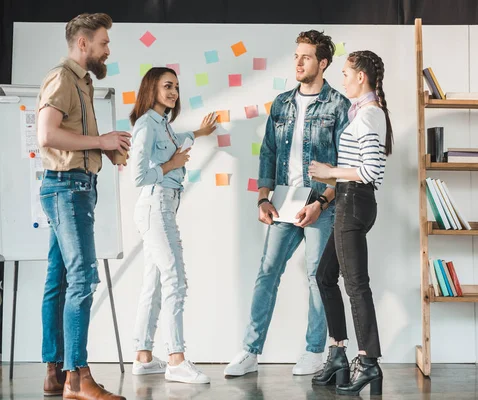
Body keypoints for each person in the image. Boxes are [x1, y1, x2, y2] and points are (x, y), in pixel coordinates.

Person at [224, 30, 351, 377]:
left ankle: (314, 351)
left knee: (317, 277)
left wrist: (322, 204)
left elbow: (344, 164)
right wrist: (263, 197)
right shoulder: (281, 103)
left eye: (306, 57)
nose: (298, 62)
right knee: (267, 273)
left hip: (319, 203)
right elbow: (268, 152)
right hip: (282, 201)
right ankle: (250, 352)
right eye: (296, 55)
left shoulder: (339, 105)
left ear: (323, 63)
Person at [37, 13, 130, 400]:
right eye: (103, 43)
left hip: (75, 186)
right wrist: (101, 141)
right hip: (67, 188)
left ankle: (54, 372)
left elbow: (75, 136)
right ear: (83, 44)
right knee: (83, 280)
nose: (107, 49)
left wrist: (105, 148)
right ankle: (78, 378)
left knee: (58, 282)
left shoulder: (83, 83)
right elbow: (47, 134)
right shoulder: (62, 77)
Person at [309, 50, 393, 396]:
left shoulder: (370, 114)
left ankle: (368, 361)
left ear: (361, 77)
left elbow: (373, 172)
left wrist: (330, 172)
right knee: (325, 276)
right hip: (347, 202)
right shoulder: (364, 112)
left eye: (345, 73)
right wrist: (326, 193)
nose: (342, 80)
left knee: (356, 285)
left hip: (355, 203)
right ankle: (339, 353)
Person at [129, 67, 217, 384]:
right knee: (175, 280)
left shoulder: (162, 124)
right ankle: (176, 359)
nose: (174, 92)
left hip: (163, 205)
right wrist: (172, 165)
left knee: (153, 283)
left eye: (177, 87)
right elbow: (138, 176)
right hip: (156, 205)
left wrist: (201, 134)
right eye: (167, 86)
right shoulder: (146, 126)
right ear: (151, 88)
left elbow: (176, 139)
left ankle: (142, 356)